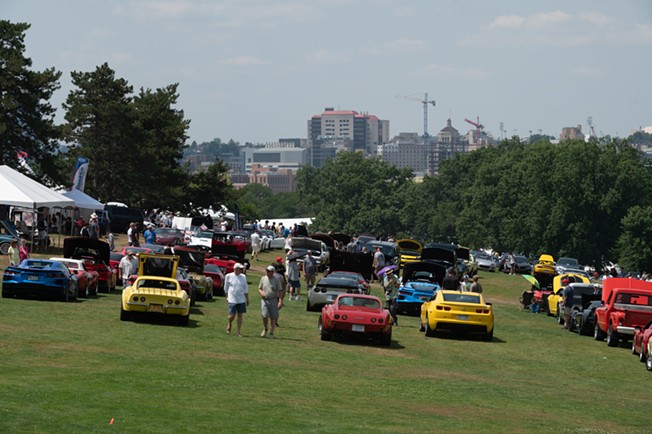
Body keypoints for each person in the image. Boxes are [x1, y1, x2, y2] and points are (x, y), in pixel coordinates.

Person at [258, 265, 284, 338]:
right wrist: (261, 292)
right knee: (264, 315)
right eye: (267, 271)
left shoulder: (276, 280)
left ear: (273, 272)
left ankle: (271, 332)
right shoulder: (263, 278)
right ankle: (265, 328)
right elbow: (259, 288)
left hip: (273, 299)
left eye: (269, 271)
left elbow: (280, 290)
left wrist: (280, 301)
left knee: (273, 317)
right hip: (264, 300)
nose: (267, 272)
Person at [224, 263, 249, 337]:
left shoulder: (243, 277)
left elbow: (245, 288)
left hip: (241, 299)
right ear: (235, 269)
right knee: (232, 315)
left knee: (240, 315)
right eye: (240, 269)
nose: (241, 270)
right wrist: (227, 296)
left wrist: (247, 298)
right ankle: (229, 323)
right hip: (232, 298)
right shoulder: (228, 276)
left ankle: (238, 331)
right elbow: (226, 288)